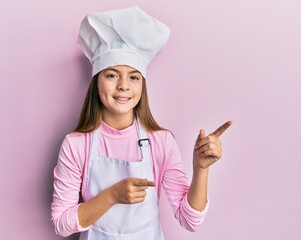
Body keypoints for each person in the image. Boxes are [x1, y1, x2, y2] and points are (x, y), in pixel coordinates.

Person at [51, 6, 232, 240]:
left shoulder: (161, 141)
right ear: (97, 81)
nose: (124, 85)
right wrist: (112, 196)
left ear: (141, 86)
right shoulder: (76, 145)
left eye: (134, 77)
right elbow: (61, 224)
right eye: (112, 74)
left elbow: (190, 220)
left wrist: (201, 169)